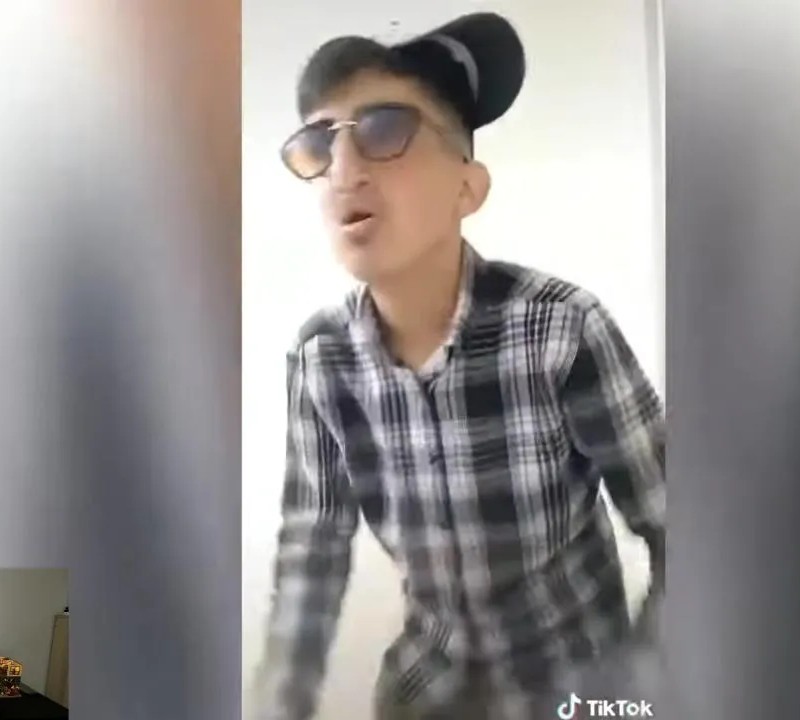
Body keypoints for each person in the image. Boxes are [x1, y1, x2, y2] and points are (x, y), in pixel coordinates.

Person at [254, 12, 667, 720]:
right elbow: (310, 558)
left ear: (467, 189)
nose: (343, 170)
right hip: (428, 694)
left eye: (384, 129)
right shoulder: (320, 360)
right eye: (319, 145)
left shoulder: (561, 329)